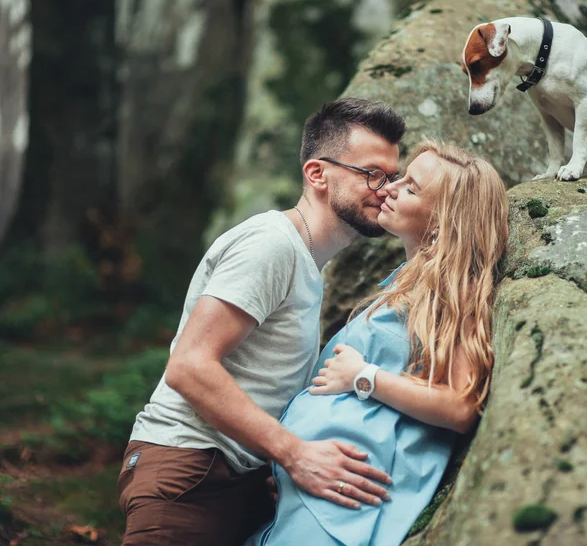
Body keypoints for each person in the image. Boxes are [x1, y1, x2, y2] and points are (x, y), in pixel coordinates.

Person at [117, 98, 407, 546]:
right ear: (317, 175)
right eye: (371, 173)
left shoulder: (307, 261)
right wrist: (293, 454)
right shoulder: (272, 246)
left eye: (391, 177)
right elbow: (189, 366)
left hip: (234, 477)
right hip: (189, 471)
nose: (385, 188)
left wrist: (268, 465)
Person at [246, 137, 509, 546]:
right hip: (317, 494)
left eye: (410, 187)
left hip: (348, 511)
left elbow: (461, 405)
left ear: (443, 220)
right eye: (400, 177)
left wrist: (363, 377)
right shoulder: (405, 281)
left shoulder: (449, 292)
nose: (388, 187)